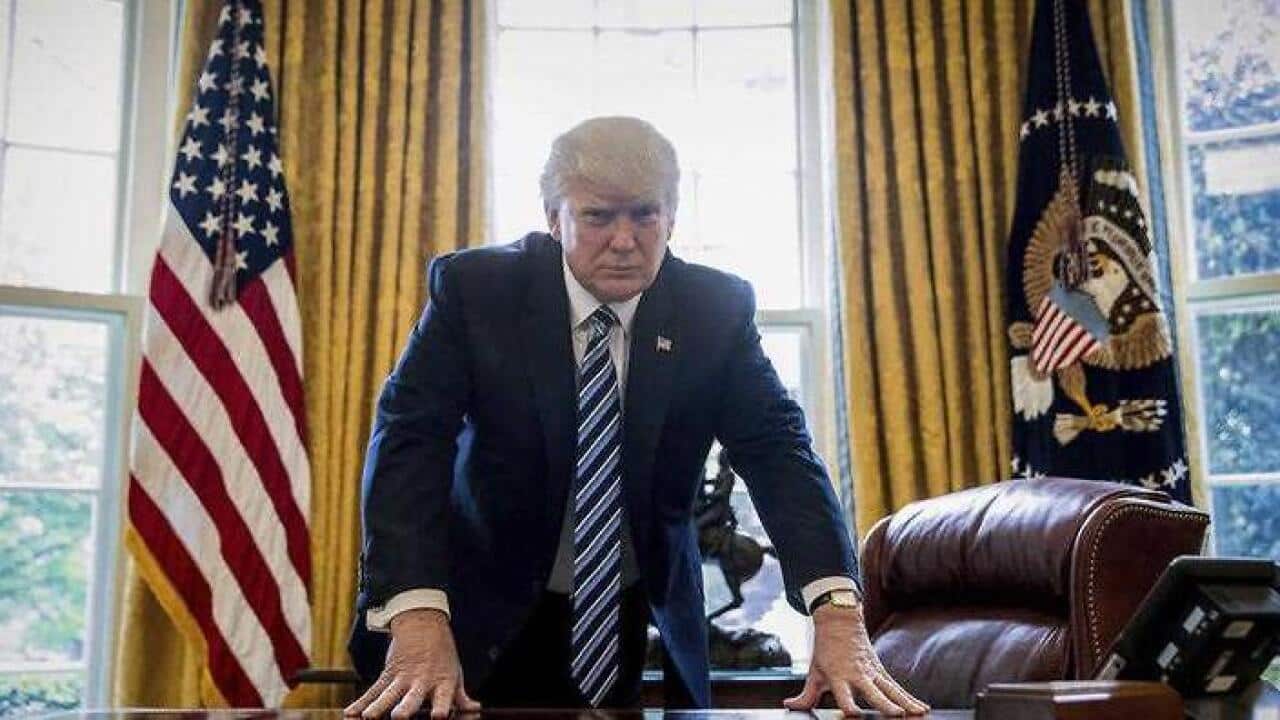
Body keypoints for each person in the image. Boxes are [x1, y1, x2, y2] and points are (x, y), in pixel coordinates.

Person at [344, 117, 928, 718]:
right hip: (467, 617)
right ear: (554, 218)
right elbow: (409, 441)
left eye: (645, 216)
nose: (624, 240)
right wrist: (415, 612)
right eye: (598, 217)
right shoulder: (478, 290)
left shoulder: (713, 310)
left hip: (621, 620)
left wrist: (836, 610)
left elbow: (780, 454)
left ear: (671, 217)